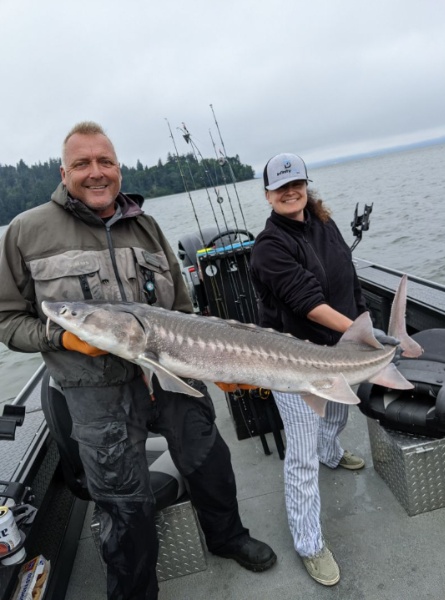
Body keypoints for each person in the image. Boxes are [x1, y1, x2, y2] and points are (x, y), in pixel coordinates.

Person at [0, 122, 276, 600]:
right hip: (96, 392)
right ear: (64, 172)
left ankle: (227, 537)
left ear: (119, 169)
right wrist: (64, 340)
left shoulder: (145, 225)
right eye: (83, 164)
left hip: (170, 371)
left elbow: (183, 309)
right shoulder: (28, 230)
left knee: (210, 459)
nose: (96, 172)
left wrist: (217, 366)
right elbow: (6, 321)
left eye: (105, 161)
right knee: (124, 504)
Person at [249, 153, 397, 587]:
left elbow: (348, 279)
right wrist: (363, 335)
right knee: (300, 454)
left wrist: (365, 318)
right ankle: (310, 544)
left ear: (305, 185)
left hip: (342, 349)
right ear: (268, 195)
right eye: (280, 187)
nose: (290, 192)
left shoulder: (324, 223)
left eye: (296, 183)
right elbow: (307, 302)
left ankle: (331, 452)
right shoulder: (268, 248)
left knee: (338, 413)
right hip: (293, 360)